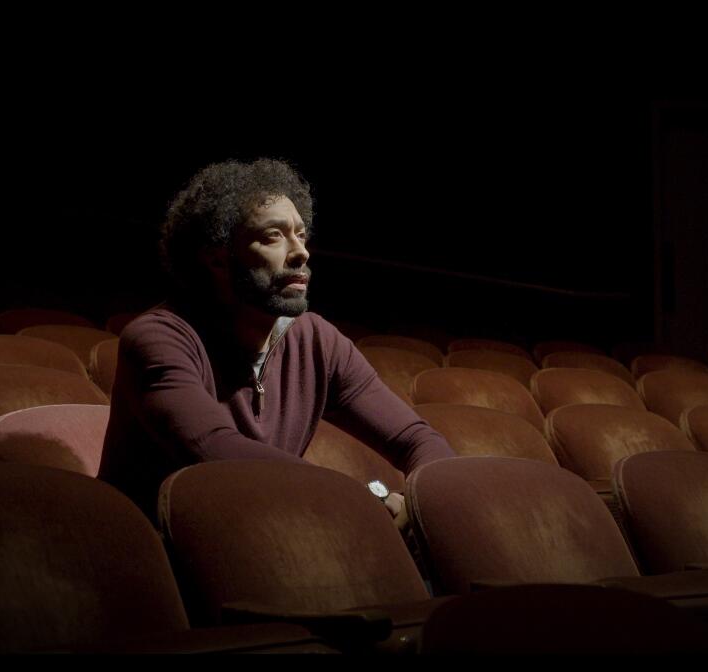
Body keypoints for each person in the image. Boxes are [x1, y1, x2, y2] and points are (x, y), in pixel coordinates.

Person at [98, 158, 455, 525]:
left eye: (301, 234)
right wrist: (357, 500)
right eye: (273, 236)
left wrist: (416, 500)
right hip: (154, 557)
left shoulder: (318, 340)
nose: (301, 252)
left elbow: (416, 439)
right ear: (218, 259)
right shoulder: (160, 337)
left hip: (263, 541)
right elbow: (212, 448)